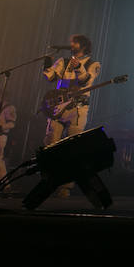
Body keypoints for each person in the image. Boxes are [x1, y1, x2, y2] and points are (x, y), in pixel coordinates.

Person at [42, 34, 101, 197]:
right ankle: (51, 181)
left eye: (74, 43)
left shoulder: (93, 63)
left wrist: (78, 67)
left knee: (72, 147)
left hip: (77, 109)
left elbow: (85, 81)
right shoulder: (63, 61)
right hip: (58, 107)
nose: (71, 45)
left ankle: (66, 187)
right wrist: (47, 61)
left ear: (82, 45)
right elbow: (50, 77)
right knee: (50, 143)